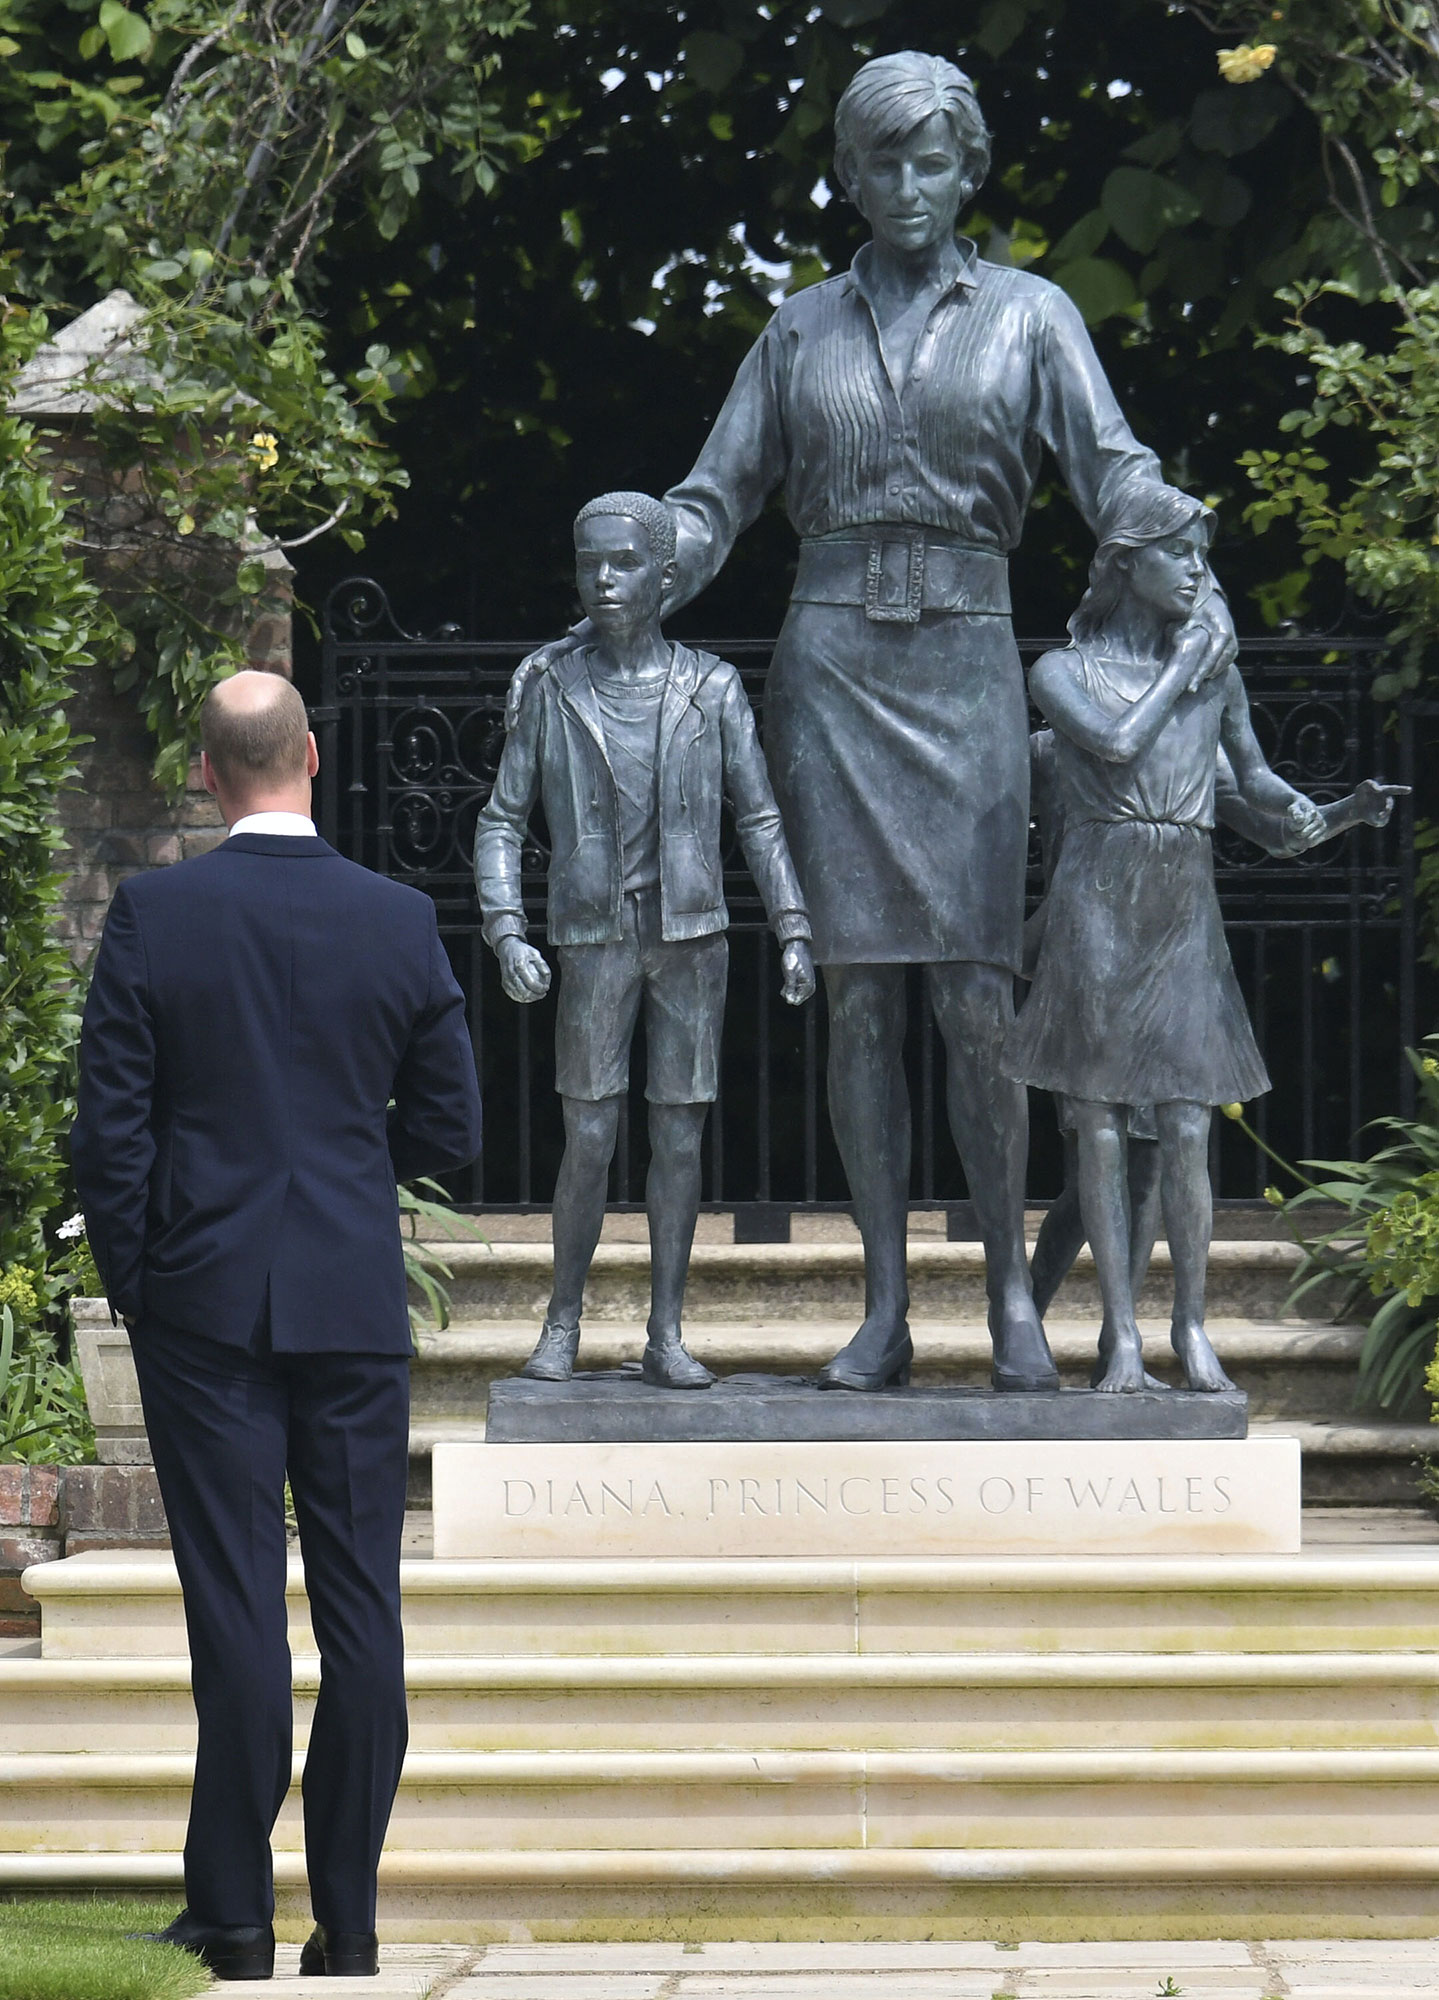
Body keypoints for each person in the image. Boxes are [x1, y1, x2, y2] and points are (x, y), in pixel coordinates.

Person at [508, 52, 1201, 1393]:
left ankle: (1005, 1287)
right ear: (848, 173)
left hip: (963, 667)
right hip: (829, 673)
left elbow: (1108, 464)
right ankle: (883, 1308)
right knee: (855, 1003)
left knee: (973, 997)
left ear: (967, 168)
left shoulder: (1029, 316)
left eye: (930, 159)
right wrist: (642, 570)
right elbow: (715, 497)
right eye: (880, 161)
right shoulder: (798, 332)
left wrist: (1175, 540)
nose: (905, 185)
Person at [71, 671, 482, 1981]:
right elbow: (452, 1136)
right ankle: (348, 1920)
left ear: (206, 772)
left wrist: (143, 1282)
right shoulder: (397, 918)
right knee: (364, 1609)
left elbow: (110, 1136)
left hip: (206, 1304)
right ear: (309, 757)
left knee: (236, 1605)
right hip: (351, 1301)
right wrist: (362, 1200)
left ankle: (235, 1915)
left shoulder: (154, 914)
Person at [476, 492, 815, 1388]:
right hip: (593, 938)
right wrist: (506, 929)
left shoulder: (709, 687)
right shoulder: (551, 688)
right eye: (590, 563)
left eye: (623, 564)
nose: (603, 580)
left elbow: (761, 816)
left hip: (692, 939)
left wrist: (792, 926)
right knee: (587, 1136)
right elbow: (502, 821)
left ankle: (667, 1331)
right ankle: (562, 1322)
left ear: (666, 579)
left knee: (677, 1139)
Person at [1003, 489, 1311, 1391]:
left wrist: (1317, 812)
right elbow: (1111, 742)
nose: (1196, 571)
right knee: (1096, 1125)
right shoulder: (1062, 673)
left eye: (1201, 557)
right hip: (1096, 900)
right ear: (1124, 565)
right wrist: (1181, 667)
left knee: (1185, 1124)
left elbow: (1256, 785)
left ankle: (1188, 1327)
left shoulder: (1215, 675)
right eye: (1178, 553)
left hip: (1181, 901)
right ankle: (1121, 1338)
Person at [1024, 726, 1408, 1339]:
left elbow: (1276, 832)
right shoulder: (1051, 746)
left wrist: (1348, 811)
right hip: (1086, 961)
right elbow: (994, 849)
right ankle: (1030, 1309)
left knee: (1150, 1162)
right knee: (1093, 1170)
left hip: (1171, 962)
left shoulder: (1194, 739)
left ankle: (1114, 1339)